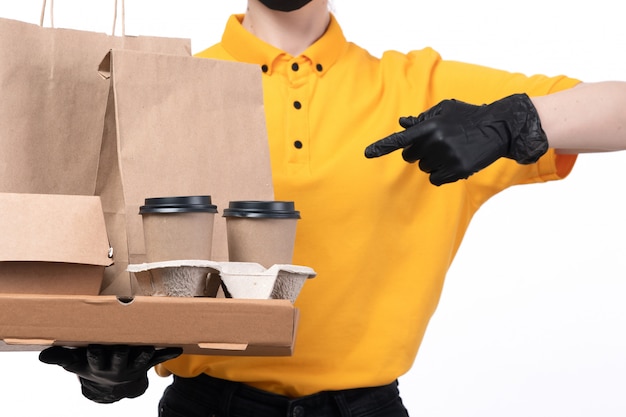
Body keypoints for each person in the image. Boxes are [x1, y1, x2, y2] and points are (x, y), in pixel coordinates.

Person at [39, 0, 626, 416]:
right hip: (207, 405)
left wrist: (512, 120)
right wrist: (108, 367)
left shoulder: (422, 91)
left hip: (367, 409)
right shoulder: (173, 84)